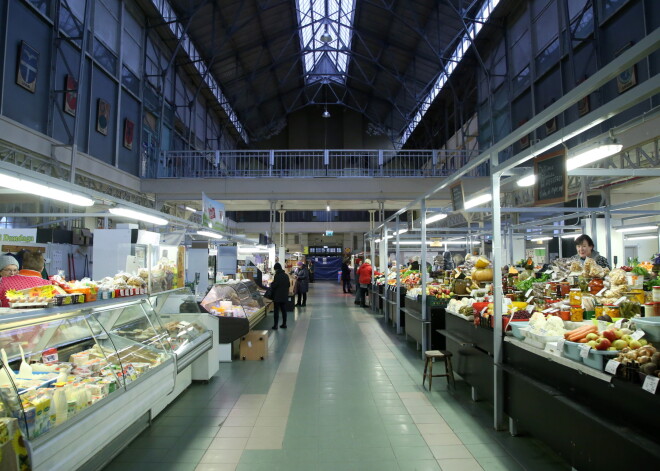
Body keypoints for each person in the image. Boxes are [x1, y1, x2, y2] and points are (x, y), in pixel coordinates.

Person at [269, 263, 290, 329]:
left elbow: (275, 285)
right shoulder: (286, 275)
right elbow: (288, 285)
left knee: (276, 311)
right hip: (284, 295)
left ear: (276, 269)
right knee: (284, 310)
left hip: (277, 296)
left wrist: (271, 284)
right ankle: (284, 324)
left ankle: (275, 325)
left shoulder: (277, 275)